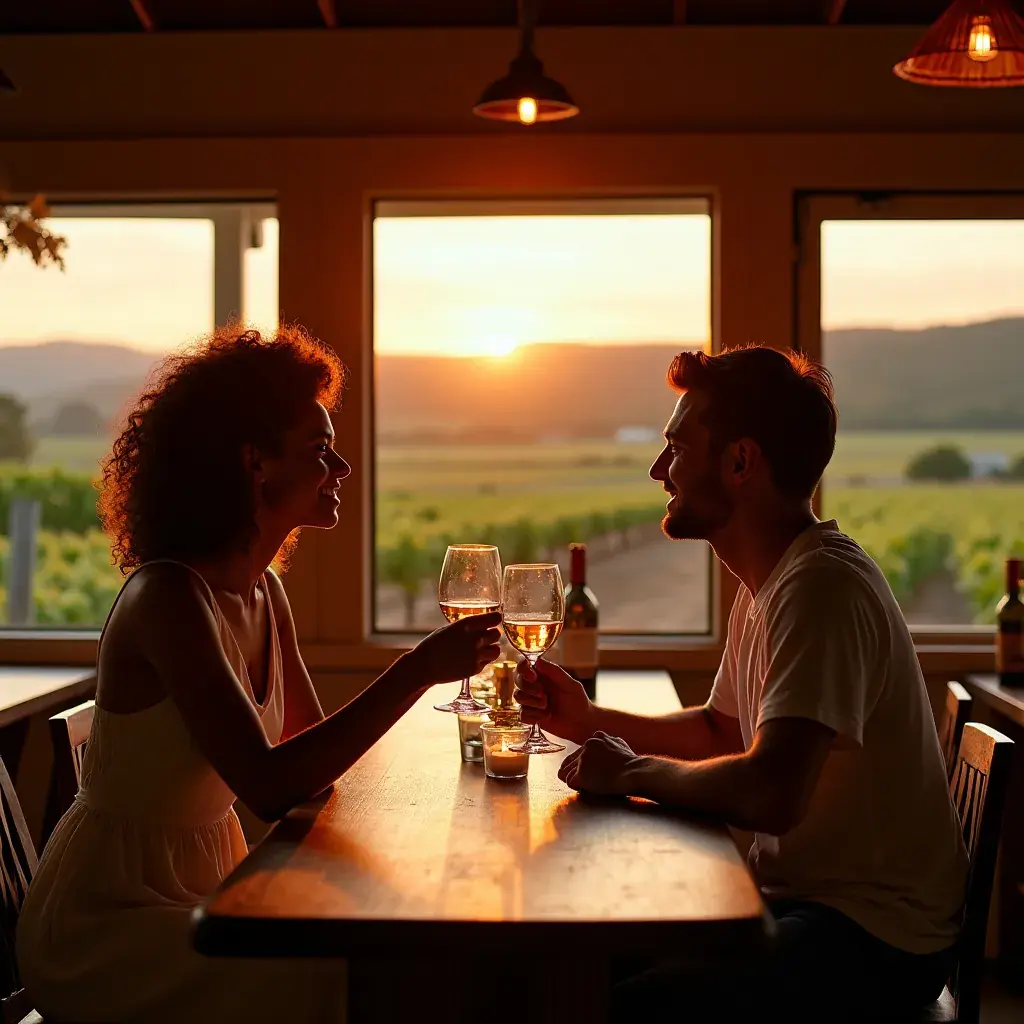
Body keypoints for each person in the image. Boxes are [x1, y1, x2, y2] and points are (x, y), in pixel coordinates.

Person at [17, 325, 501, 1023]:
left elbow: (312, 760)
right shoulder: (170, 597)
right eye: (320, 449)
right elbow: (273, 787)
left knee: (396, 948)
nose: (342, 469)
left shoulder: (264, 591)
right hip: (111, 925)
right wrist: (418, 669)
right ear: (255, 463)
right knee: (358, 976)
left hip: (207, 891)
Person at [515, 346, 968, 1022]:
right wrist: (585, 720)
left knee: (628, 1003)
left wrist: (629, 770)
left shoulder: (821, 589)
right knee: (580, 958)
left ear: (740, 462)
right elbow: (719, 732)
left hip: (873, 937)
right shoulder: (770, 579)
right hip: (813, 906)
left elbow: (771, 791)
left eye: (675, 448)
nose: (657, 471)